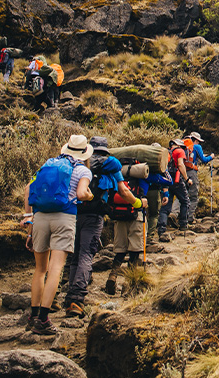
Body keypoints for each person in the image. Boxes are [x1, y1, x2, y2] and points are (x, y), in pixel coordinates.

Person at [22, 134, 94, 335]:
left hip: (41, 217)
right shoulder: (82, 169)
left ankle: (33, 316)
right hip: (64, 217)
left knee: (40, 270)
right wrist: (89, 194)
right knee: (56, 268)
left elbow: (28, 188)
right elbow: (81, 194)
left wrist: (29, 220)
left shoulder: (49, 164)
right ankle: (44, 319)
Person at [61, 136, 136, 318]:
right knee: (86, 254)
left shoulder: (76, 163)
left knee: (75, 255)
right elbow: (123, 191)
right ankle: (77, 299)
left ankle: (69, 297)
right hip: (95, 216)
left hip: (72, 213)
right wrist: (139, 203)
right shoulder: (111, 165)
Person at [105, 160, 148, 296]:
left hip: (119, 215)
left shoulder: (116, 174)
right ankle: (128, 283)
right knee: (135, 250)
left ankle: (113, 275)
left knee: (120, 249)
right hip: (136, 214)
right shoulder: (142, 174)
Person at [159, 139, 190, 239]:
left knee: (166, 205)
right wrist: (187, 178)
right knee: (185, 201)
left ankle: (161, 229)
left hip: (165, 180)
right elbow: (180, 164)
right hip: (176, 179)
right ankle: (183, 225)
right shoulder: (179, 151)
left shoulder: (165, 152)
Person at [185, 132, 212, 224]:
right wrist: (211, 157)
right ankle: (190, 217)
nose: (199, 143)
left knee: (182, 195)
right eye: (198, 141)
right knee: (193, 196)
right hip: (192, 172)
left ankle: (175, 214)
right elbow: (204, 160)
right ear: (195, 140)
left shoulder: (182, 145)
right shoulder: (197, 147)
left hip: (181, 172)